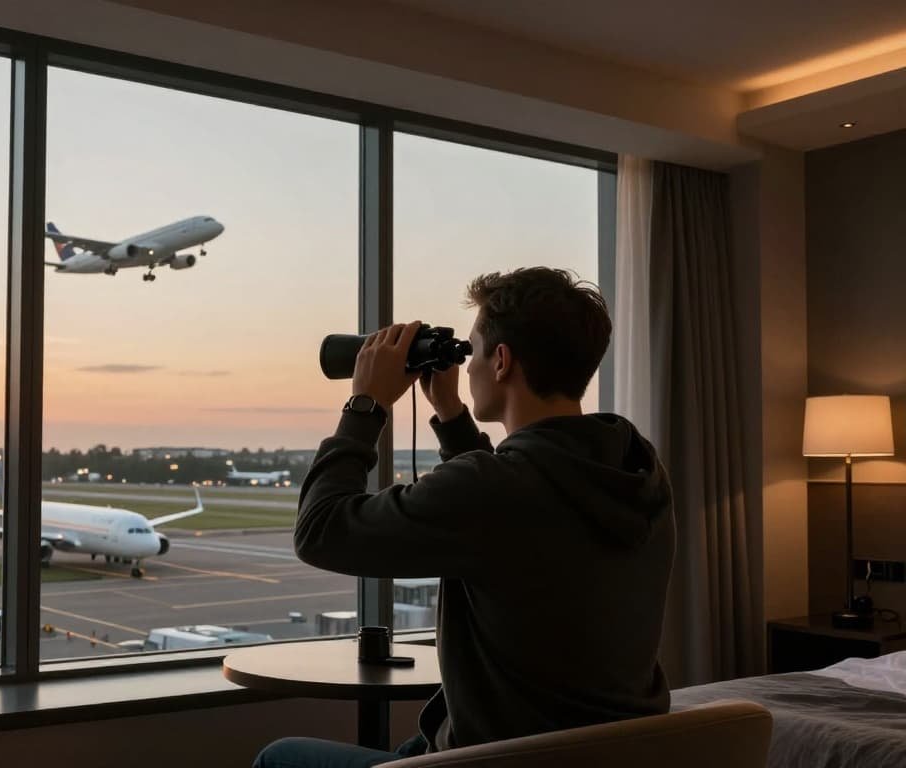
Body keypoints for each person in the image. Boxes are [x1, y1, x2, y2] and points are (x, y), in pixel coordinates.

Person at [254, 268, 674, 768]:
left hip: (495, 756)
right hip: (608, 750)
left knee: (280, 758)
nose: (467, 366)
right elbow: (504, 515)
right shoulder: (636, 465)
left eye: (472, 352)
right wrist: (451, 414)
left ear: (501, 361)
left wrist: (365, 405)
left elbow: (320, 531)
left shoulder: (496, 487)